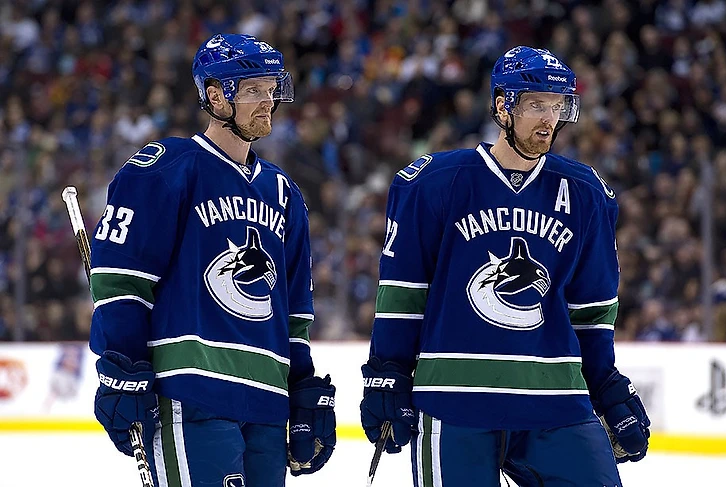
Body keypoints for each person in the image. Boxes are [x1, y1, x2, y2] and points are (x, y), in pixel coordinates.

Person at [360, 46, 650, 486]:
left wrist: (605, 384)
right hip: (454, 401)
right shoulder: (435, 182)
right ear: (502, 107)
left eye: (557, 106)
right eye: (536, 105)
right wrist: (388, 371)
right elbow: (404, 295)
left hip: (556, 403)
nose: (549, 119)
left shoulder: (586, 193)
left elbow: (591, 311)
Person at [89, 33, 336, 487]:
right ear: (217, 96)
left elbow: (295, 313)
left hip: (266, 402)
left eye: (271, 89)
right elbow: (120, 280)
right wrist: (123, 364)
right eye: (254, 90)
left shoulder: (284, 192)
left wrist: (301, 386)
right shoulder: (166, 168)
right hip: (191, 392)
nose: (268, 102)